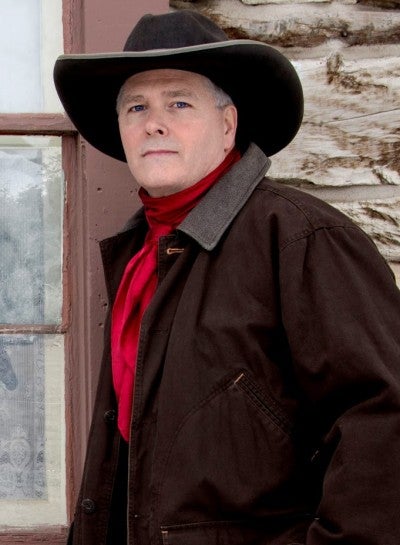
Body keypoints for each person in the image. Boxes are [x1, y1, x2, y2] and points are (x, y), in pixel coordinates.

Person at [54, 10, 400, 545]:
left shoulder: (299, 237)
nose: (154, 123)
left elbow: (384, 424)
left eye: (180, 103)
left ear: (228, 125)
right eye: (136, 107)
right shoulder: (139, 259)